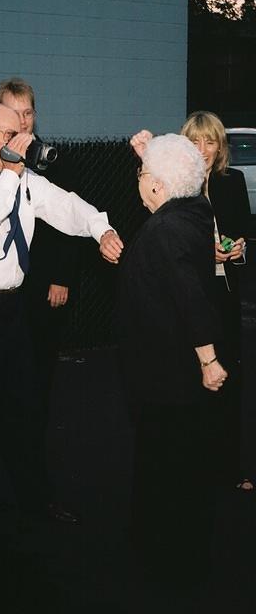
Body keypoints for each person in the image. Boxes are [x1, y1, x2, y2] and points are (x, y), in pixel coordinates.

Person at [0, 103, 123, 538]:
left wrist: (101, 229)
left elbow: (67, 205)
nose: (18, 140)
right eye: (8, 132)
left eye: (22, 131)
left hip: (9, 307)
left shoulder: (22, 179)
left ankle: (35, 497)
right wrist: (13, 175)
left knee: (23, 405)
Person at [102, 133, 227, 588]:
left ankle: (170, 565)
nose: (138, 182)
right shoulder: (194, 210)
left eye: (142, 175)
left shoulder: (164, 230)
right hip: (170, 373)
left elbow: (189, 297)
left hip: (167, 373)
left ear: (156, 186)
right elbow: (180, 179)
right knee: (176, 461)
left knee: (167, 464)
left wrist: (208, 359)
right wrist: (151, 158)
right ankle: (165, 548)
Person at [132, 112, 253, 490]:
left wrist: (239, 250)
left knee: (226, 380)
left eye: (210, 142)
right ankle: (196, 467)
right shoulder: (178, 182)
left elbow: (244, 231)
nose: (203, 150)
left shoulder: (231, 181)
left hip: (223, 293)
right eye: (195, 141)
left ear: (220, 147)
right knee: (190, 381)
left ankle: (231, 468)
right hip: (188, 296)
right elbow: (158, 225)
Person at [0, 77, 80, 410]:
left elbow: (70, 221)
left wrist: (62, 277)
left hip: (43, 280)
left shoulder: (54, 160)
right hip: (1, 282)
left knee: (39, 358)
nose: (22, 120)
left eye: (27, 112)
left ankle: (33, 426)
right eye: (13, 113)